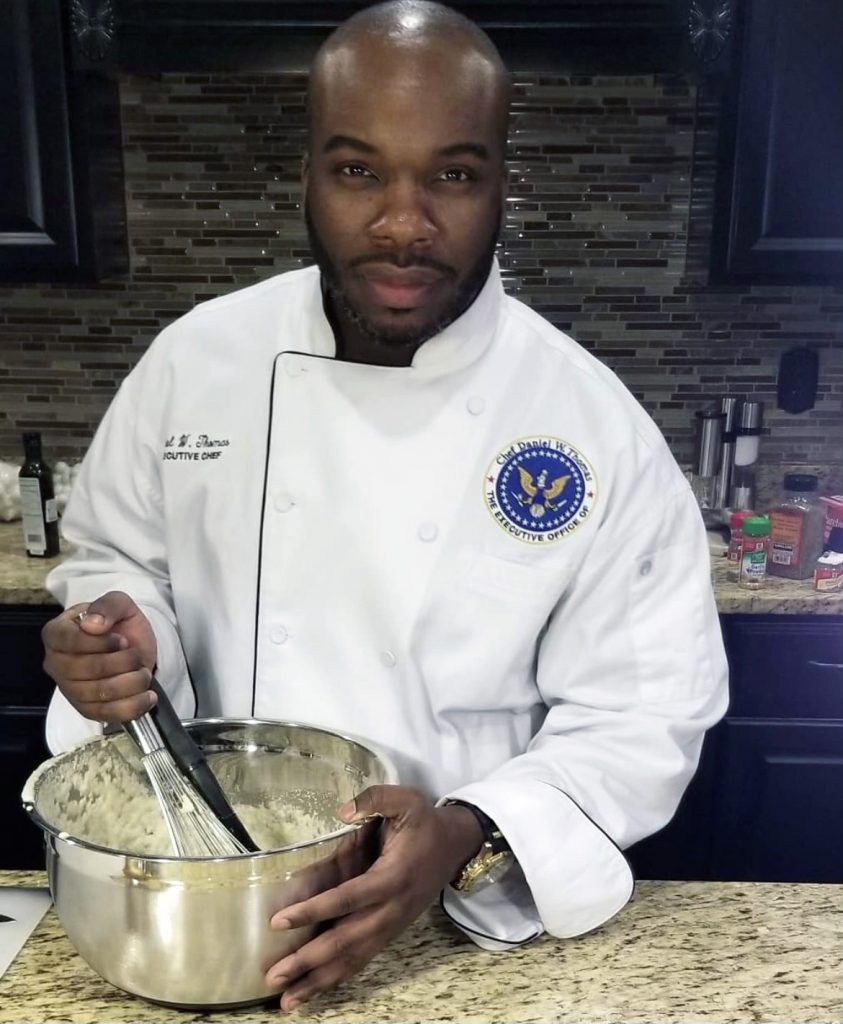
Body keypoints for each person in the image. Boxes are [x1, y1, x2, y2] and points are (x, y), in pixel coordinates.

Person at [41, 0, 729, 1011]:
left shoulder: (588, 423)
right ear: (308, 175)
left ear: (503, 186)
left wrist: (460, 834)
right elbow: (113, 560)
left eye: (452, 174)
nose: (405, 225)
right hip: (207, 915)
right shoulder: (196, 364)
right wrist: (115, 630)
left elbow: (645, 716)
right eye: (359, 170)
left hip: (460, 936)